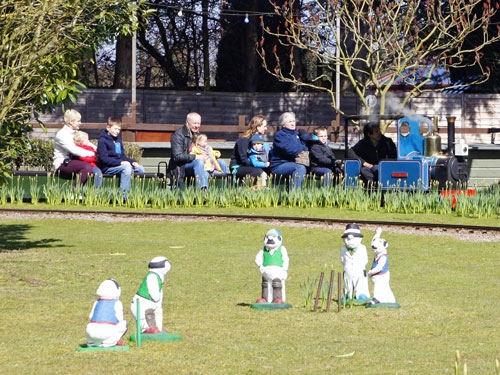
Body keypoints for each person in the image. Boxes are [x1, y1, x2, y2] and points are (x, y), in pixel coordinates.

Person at [97, 117, 145, 197]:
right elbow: (104, 159)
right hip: (108, 167)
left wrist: (132, 161)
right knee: (126, 168)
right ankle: (123, 196)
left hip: (119, 166)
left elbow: (122, 156)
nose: (117, 131)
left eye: (119, 129)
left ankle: (137, 194)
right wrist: (121, 162)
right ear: (108, 127)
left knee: (140, 168)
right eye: (115, 129)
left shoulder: (118, 141)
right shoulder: (102, 141)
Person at [53, 109, 100, 187]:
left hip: (75, 162)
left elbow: (88, 143)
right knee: (87, 166)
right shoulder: (61, 134)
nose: (80, 123)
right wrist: (93, 155)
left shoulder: (76, 133)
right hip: (62, 164)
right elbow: (74, 150)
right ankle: (76, 192)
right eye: (78, 121)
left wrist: (99, 152)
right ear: (71, 121)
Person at [131, 257, 171, 334]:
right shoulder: (152, 276)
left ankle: (157, 328)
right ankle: (144, 329)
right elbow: (153, 291)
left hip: (150, 303)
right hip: (141, 302)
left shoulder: (158, 276)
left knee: (153, 315)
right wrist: (156, 299)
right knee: (142, 316)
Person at [269, 112, 309, 189]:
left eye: (293, 121)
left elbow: (306, 144)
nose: (292, 123)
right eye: (289, 122)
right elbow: (291, 150)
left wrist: (304, 137)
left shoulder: (296, 134)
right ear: (284, 124)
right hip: (279, 165)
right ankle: (294, 195)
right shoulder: (280, 135)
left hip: (293, 163)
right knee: (300, 168)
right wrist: (303, 147)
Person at [168, 112, 208, 188]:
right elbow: (177, 157)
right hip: (181, 167)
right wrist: (195, 157)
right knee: (199, 162)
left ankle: (224, 191)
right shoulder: (178, 136)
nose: (197, 126)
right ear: (187, 122)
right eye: (194, 123)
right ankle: (202, 191)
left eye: (199, 123)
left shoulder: (197, 135)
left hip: (197, 165)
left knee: (221, 163)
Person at [86, 279, 128, 347]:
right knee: (124, 324)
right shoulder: (117, 303)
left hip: (91, 332)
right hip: (107, 331)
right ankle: (110, 341)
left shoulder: (97, 302)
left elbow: (91, 316)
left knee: (90, 325)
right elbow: (120, 319)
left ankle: (91, 341)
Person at [229, 115, 268, 184]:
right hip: (238, 167)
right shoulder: (244, 141)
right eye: (264, 126)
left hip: (251, 166)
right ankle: (241, 188)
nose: (266, 128)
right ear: (258, 127)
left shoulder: (259, 141)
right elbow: (243, 159)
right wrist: (256, 165)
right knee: (258, 171)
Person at [255, 229, 289, 303]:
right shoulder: (264, 249)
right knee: (265, 284)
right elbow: (258, 258)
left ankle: (277, 298)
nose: (270, 240)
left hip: (278, 271)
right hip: (266, 270)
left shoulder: (282, 249)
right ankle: (265, 298)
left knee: (277, 283)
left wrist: (285, 270)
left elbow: (286, 260)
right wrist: (261, 267)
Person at [340, 224, 370, 300]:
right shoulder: (343, 249)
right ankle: (348, 294)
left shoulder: (362, 248)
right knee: (348, 282)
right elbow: (343, 259)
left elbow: (365, 259)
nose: (350, 241)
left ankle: (361, 294)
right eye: (347, 239)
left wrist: (359, 266)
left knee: (361, 282)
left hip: (359, 269)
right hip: (348, 269)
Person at [367, 228, 396, 305]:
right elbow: (374, 240)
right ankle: (390, 299)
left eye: (375, 249)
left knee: (379, 288)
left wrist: (370, 273)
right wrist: (378, 233)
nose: (373, 250)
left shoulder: (383, 257)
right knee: (385, 288)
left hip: (382, 276)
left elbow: (379, 268)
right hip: (378, 276)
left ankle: (377, 299)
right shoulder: (378, 252)